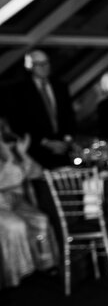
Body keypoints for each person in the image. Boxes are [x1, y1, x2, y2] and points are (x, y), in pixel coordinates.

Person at [0, 118, 58, 287]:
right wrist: (11, 158)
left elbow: (36, 172)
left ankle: (45, 264)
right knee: (16, 226)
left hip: (16, 201)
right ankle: (16, 274)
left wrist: (23, 154)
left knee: (40, 220)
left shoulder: (12, 149)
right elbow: (7, 179)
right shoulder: (7, 153)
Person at [7, 50, 76, 169]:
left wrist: (67, 140)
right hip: (37, 152)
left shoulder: (61, 87)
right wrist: (46, 142)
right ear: (30, 67)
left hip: (64, 149)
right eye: (39, 64)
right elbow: (18, 122)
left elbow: (69, 116)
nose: (44, 67)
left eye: (46, 63)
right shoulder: (19, 91)